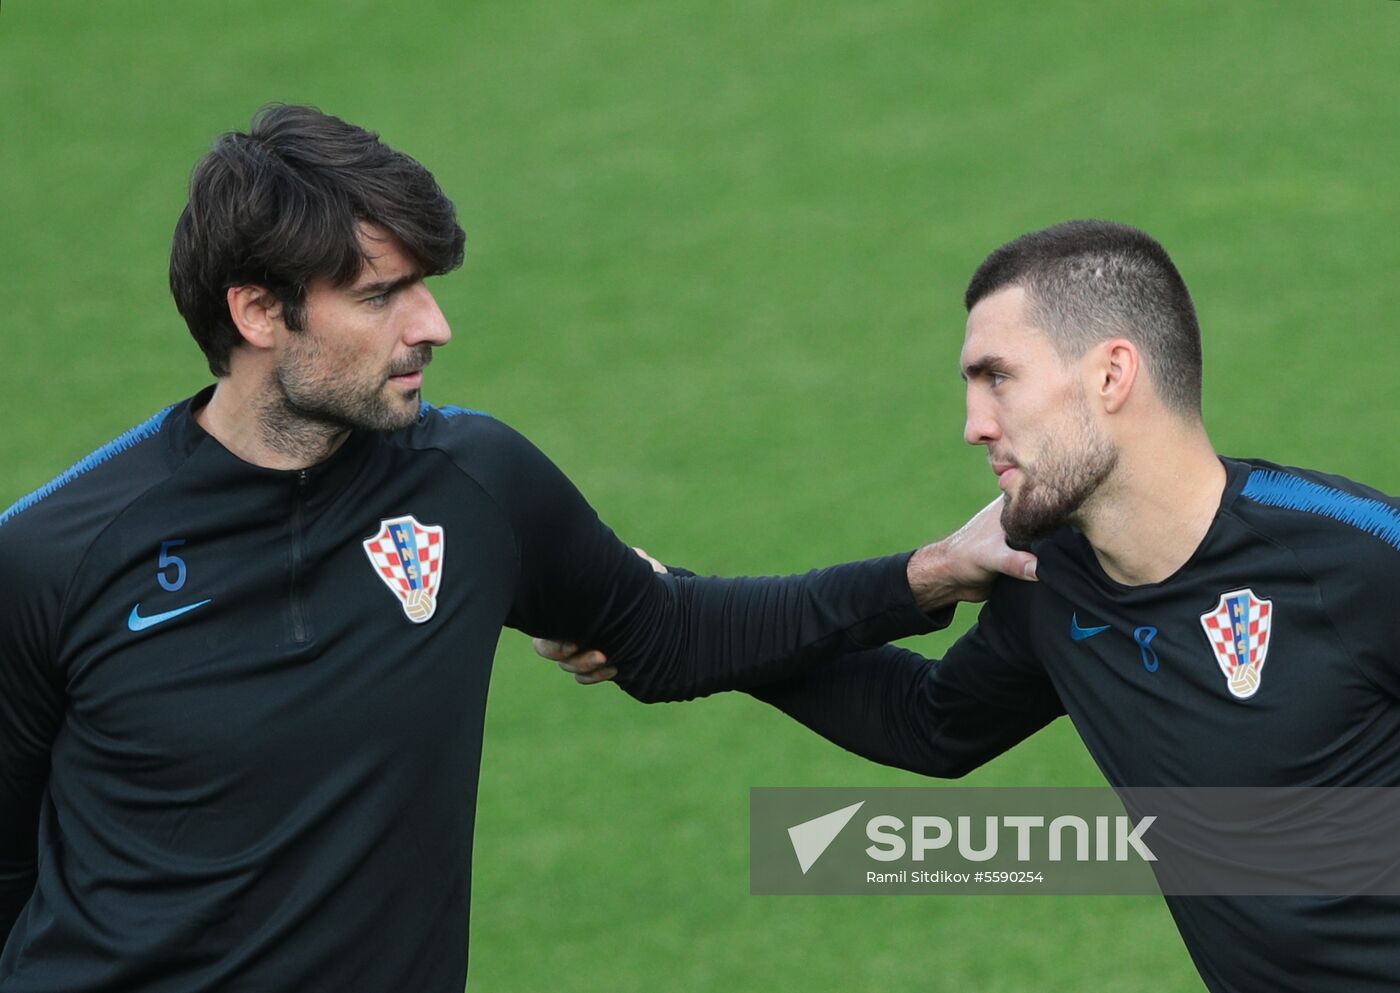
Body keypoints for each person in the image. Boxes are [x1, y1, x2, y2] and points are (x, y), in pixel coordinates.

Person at [0, 105, 1036, 993]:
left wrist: (925, 575)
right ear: (258, 312)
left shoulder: (473, 488)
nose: (433, 324)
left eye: (426, 283)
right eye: (380, 295)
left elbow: (668, 633)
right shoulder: (58, 555)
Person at [541, 220, 1400, 993]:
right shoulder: (1054, 577)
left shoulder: (1355, 555)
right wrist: (667, 604)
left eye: (998, 378)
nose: (973, 423)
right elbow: (928, 722)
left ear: (1110, 374)